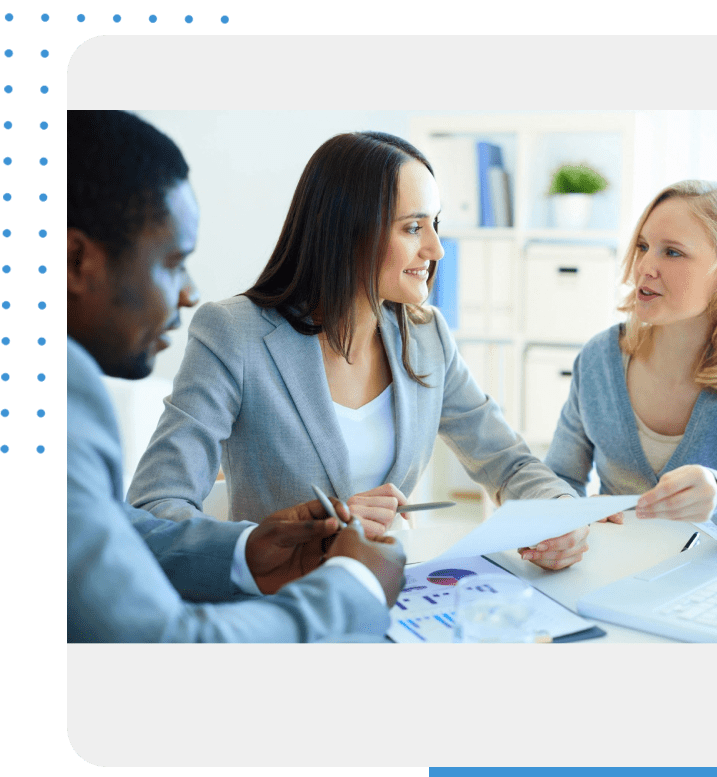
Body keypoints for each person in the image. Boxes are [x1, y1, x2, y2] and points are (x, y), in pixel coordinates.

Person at [127, 131, 589, 571]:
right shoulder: (234, 334)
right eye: (413, 228)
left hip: (391, 594)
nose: (435, 249)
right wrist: (314, 537)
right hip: (285, 604)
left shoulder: (428, 336)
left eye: (435, 224)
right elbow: (154, 510)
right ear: (349, 232)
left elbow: (506, 462)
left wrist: (560, 513)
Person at [67, 110, 406, 643]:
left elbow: (97, 531)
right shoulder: (72, 396)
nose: (188, 292)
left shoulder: (422, 336)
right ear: (76, 261)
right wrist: (353, 584)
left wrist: (244, 551)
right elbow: (168, 645)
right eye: (174, 262)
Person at [534, 180, 717, 550]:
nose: (644, 267)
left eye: (672, 253)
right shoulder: (599, 360)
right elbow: (560, 476)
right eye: (642, 246)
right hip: (610, 570)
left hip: (705, 584)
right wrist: (572, 512)